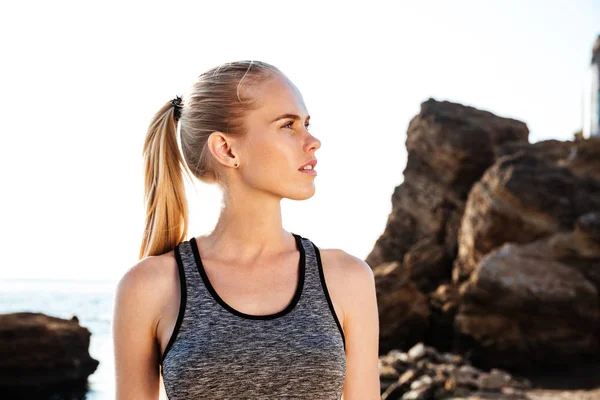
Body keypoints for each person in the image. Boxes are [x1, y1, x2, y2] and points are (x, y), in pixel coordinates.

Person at [112, 60, 380, 399]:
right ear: (226, 149)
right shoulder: (149, 286)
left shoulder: (348, 278)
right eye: (288, 125)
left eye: (307, 124)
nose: (313, 141)